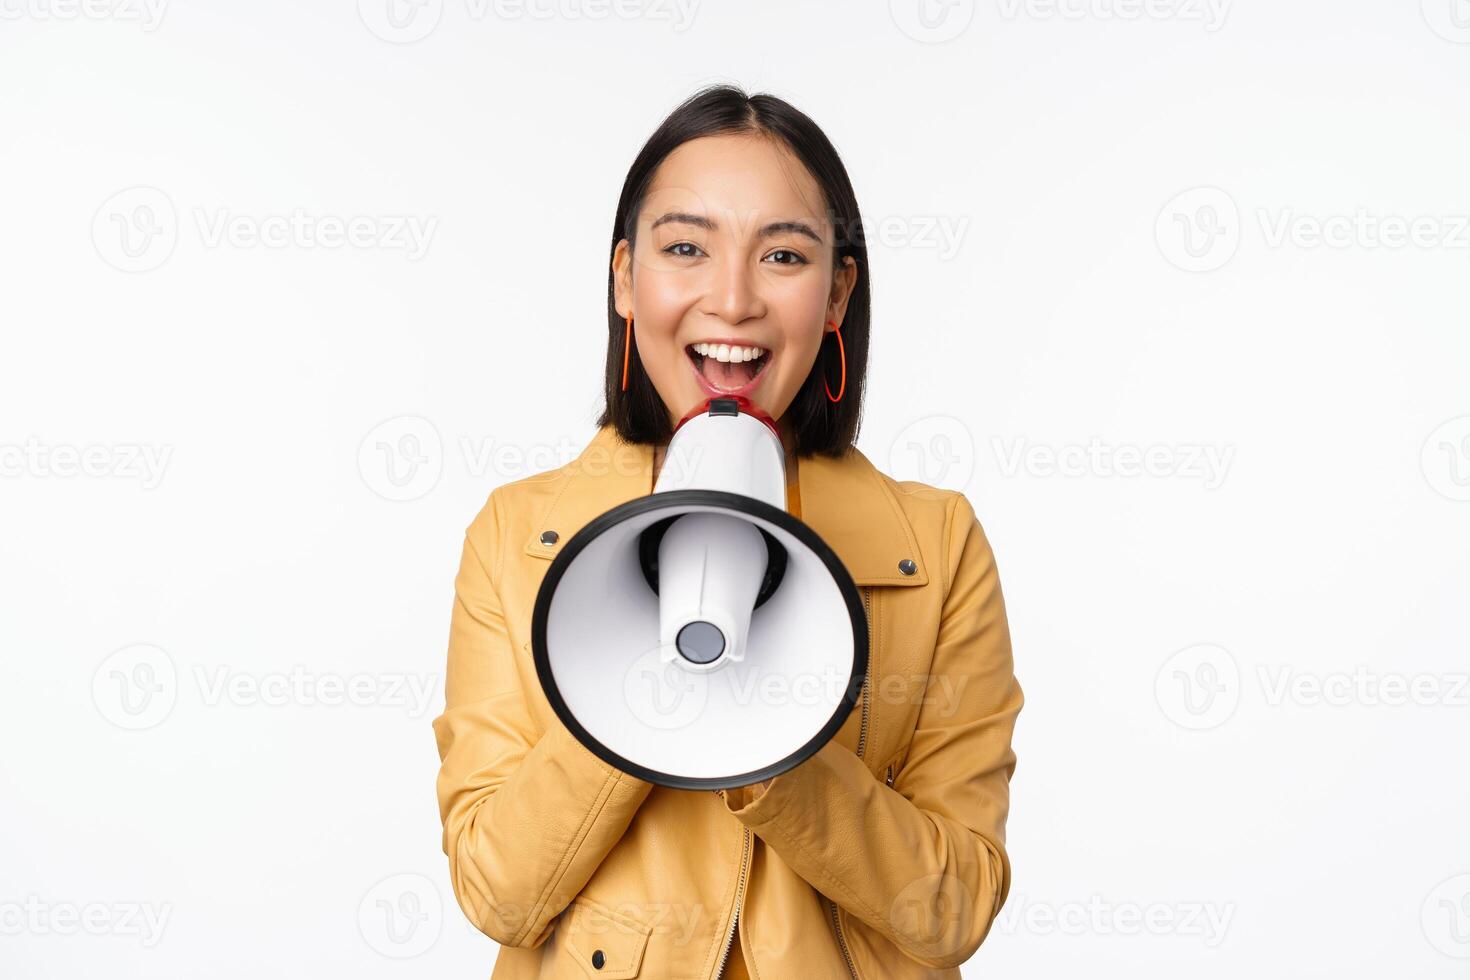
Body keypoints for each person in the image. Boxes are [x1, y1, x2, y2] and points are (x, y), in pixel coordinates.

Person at [431, 83, 1024, 979]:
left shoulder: (934, 548)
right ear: (626, 279)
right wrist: (637, 695)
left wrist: (770, 742)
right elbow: (498, 894)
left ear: (837, 295)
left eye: (783, 255)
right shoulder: (518, 538)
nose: (734, 300)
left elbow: (954, 910)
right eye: (685, 249)